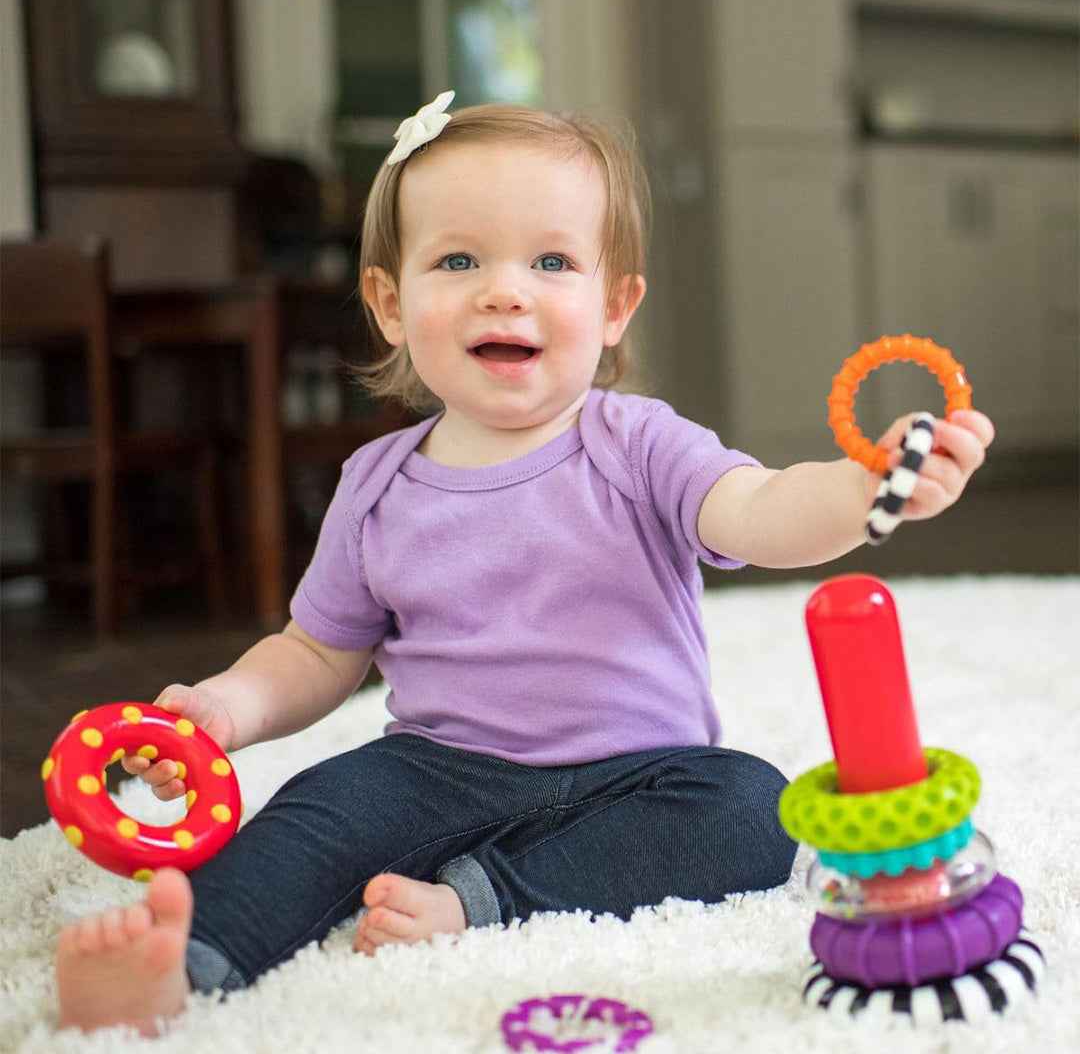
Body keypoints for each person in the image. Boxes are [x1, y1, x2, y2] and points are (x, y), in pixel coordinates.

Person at [55, 92, 995, 1037]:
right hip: (438, 767)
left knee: (756, 807)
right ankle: (181, 961)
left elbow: (758, 513)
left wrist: (868, 488)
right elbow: (316, 649)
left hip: (642, 770)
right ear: (390, 303)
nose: (506, 290)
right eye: (458, 260)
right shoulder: (376, 485)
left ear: (614, 304)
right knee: (317, 810)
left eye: (552, 262)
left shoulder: (636, 443)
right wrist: (229, 706)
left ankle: (483, 896)